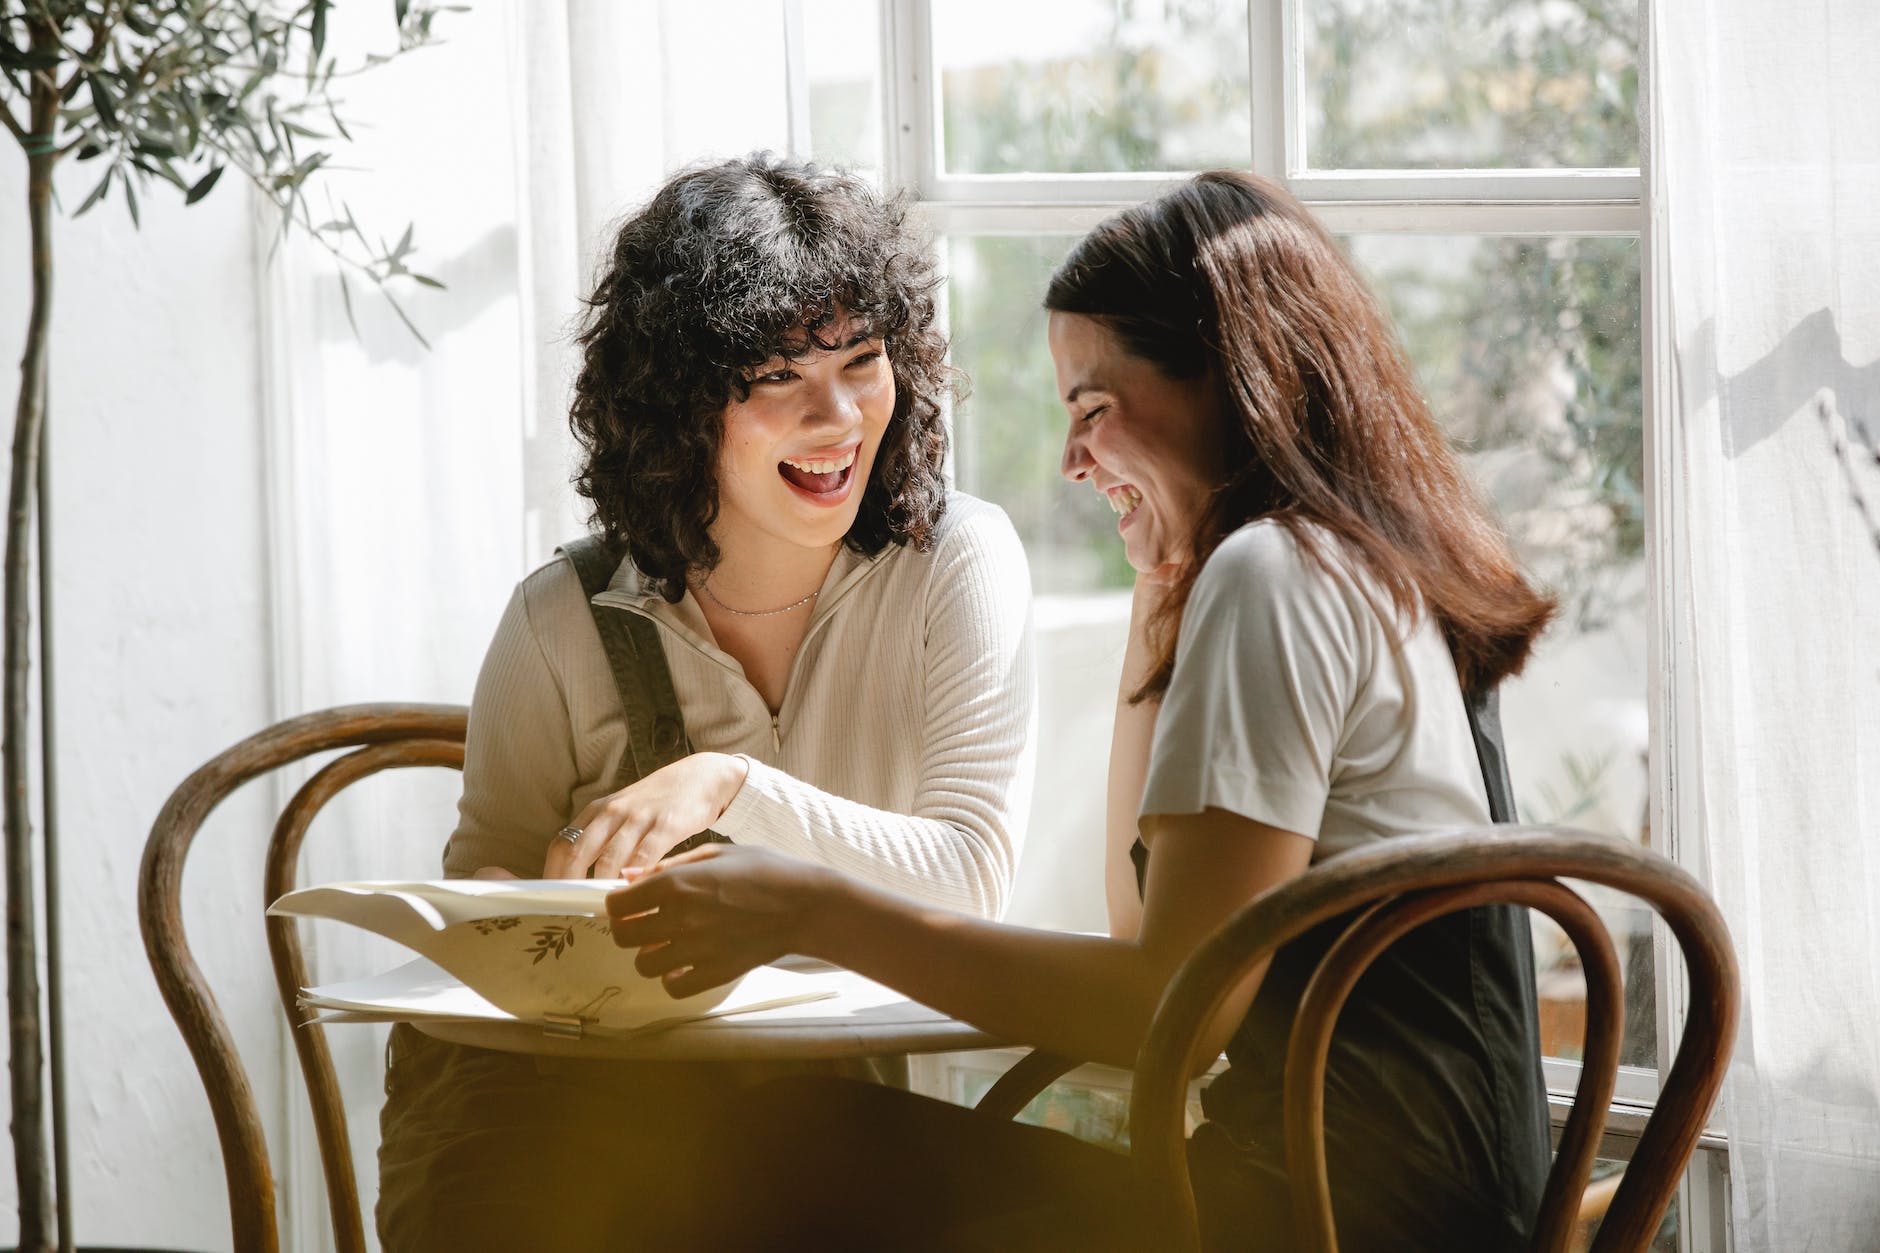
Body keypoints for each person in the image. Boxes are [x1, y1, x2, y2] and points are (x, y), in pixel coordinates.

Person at [607, 170, 1559, 1252]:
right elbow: (1142, 934)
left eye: (1092, 410)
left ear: (1227, 381)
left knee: (775, 1148)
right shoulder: (1345, 560)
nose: (1068, 459)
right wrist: (1159, 594)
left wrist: (809, 910)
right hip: (1423, 1206)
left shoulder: (1276, 575)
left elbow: (1171, 1014)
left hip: (1328, 1219)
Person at [374, 153, 1036, 1252]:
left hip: (827, 1122)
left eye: (863, 362)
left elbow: (972, 880)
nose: (838, 420)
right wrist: (526, 903)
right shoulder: (561, 615)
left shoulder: (955, 561)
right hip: (572, 1123)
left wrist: (729, 785)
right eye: (777, 377)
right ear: (679, 407)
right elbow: (484, 873)